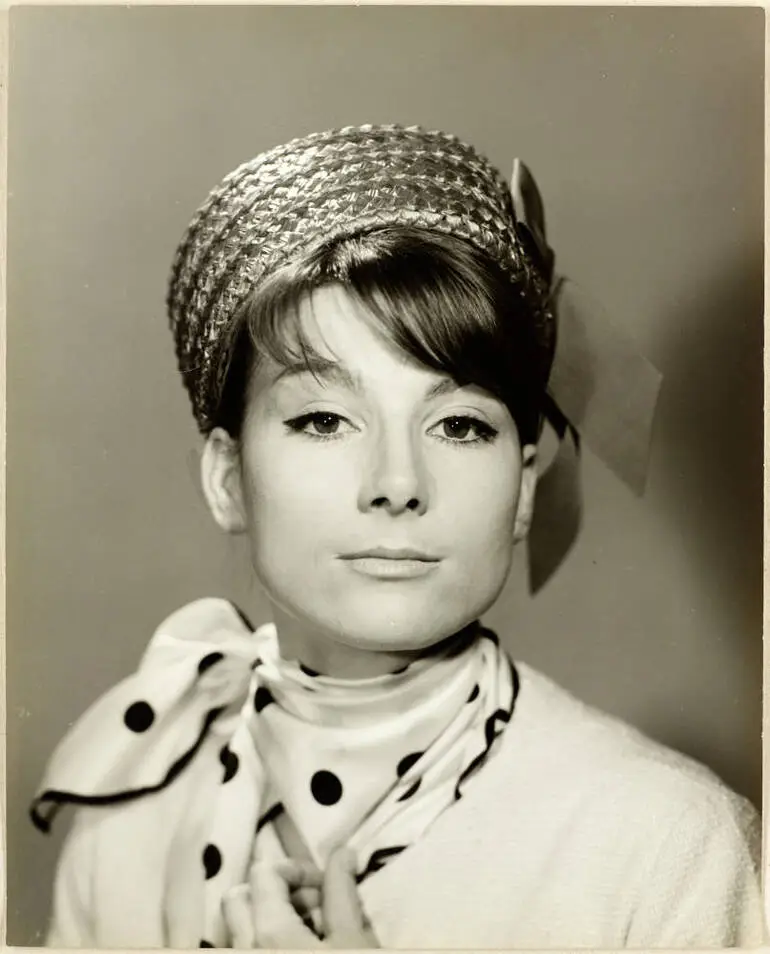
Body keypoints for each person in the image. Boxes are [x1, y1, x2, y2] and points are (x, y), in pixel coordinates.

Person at [31, 124, 764, 948]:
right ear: (228, 478)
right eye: (322, 418)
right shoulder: (123, 815)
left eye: (457, 426)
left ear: (522, 489)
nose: (398, 484)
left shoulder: (671, 844)